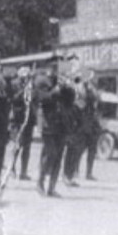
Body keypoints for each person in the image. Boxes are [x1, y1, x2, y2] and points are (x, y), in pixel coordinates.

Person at [35, 55, 75, 198]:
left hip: (62, 124)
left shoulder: (62, 82)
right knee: (49, 153)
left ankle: (51, 188)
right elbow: (41, 98)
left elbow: (71, 101)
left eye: (57, 67)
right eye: (53, 67)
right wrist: (55, 91)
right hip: (48, 123)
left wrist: (69, 88)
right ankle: (40, 183)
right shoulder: (41, 81)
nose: (56, 70)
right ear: (47, 67)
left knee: (58, 156)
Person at [9, 67, 36, 181]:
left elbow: (33, 99)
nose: (27, 79)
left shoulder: (31, 86)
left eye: (28, 77)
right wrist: (23, 90)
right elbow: (14, 99)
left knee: (27, 146)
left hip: (28, 119)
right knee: (17, 145)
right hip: (17, 118)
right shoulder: (14, 84)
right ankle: (12, 169)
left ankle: (23, 172)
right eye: (25, 77)